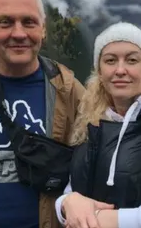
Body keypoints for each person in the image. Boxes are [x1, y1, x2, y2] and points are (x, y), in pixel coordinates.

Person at [0, 0, 85, 228]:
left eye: (28, 22)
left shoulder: (68, 90)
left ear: (43, 28)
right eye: (5, 22)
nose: (18, 33)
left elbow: (104, 158)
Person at [56, 22, 141, 228]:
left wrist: (105, 220)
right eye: (110, 60)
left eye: (132, 60)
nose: (120, 70)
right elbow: (70, 190)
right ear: (100, 72)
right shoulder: (89, 122)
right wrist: (66, 203)